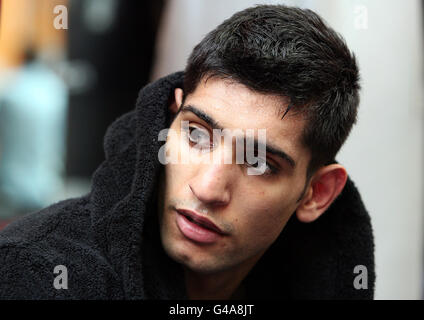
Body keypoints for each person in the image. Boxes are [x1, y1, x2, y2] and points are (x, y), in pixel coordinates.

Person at [0, 5, 375, 299]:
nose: (208, 189)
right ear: (171, 116)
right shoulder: (35, 273)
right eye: (197, 135)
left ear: (317, 194)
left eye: (258, 162)